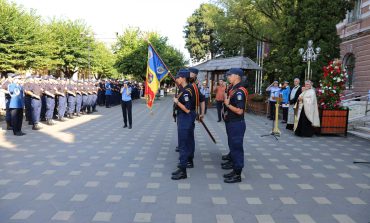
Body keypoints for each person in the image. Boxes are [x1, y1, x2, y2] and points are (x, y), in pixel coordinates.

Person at [222, 68, 248, 183]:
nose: (228, 77)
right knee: (233, 146)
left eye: (230, 75)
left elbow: (239, 111)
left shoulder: (239, 91)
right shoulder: (234, 89)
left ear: (237, 76)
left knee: (237, 148)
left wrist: (228, 105)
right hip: (231, 122)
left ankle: (237, 174)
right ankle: (235, 169)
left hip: (237, 123)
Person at [171, 69, 196, 180]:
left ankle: (183, 170)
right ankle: (184, 166)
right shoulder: (186, 88)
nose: (177, 79)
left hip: (185, 118)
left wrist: (177, 102)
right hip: (185, 118)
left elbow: (187, 109)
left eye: (178, 77)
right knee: (186, 142)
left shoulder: (187, 91)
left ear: (183, 78)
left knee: (183, 144)